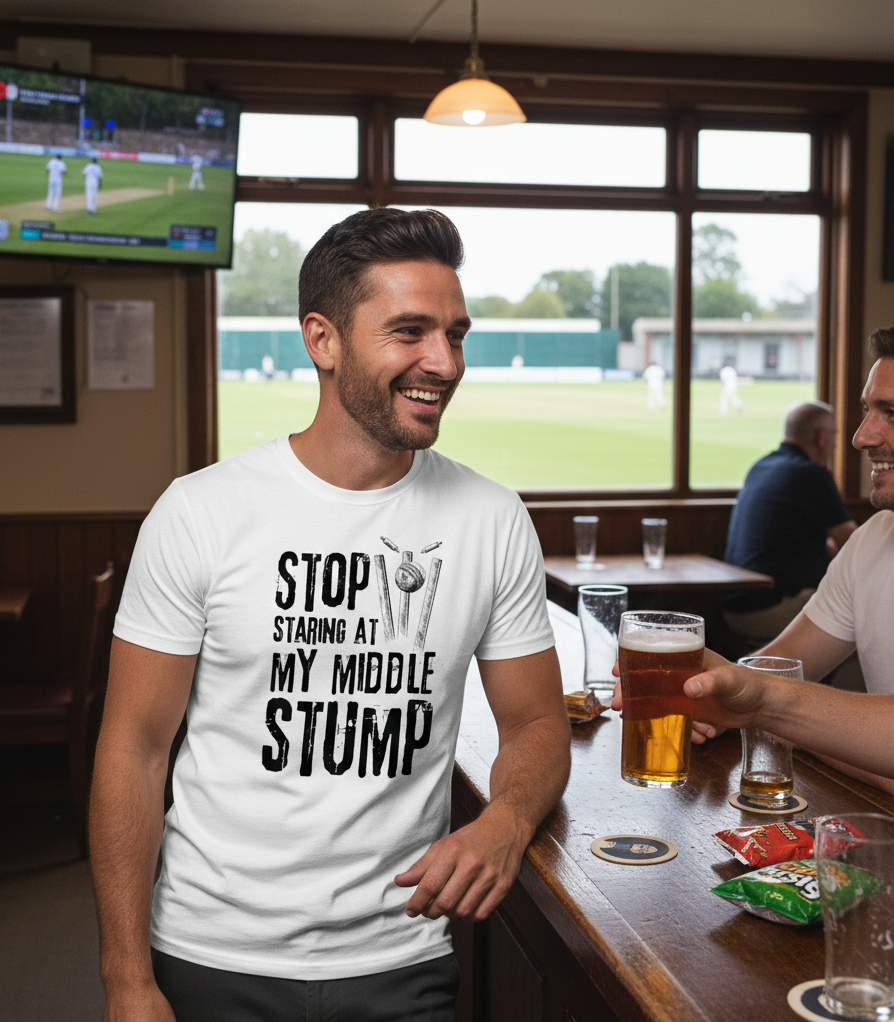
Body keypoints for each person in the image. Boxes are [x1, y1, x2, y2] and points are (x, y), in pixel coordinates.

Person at [89, 208, 571, 1022]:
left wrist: (507, 820)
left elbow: (536, 724)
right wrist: (127, 979)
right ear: (323, 340)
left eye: (456, 334)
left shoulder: (491, 519)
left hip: (403, 954)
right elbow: (133, 748)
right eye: (410, 332)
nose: (443, 362)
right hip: (209, 952)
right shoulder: (200, 511)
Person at [693, 325, 894, 789]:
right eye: (867, 411)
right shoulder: (871, 540)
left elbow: (769, 693)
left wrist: (771, 710)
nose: (862, 437)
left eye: (891, 412)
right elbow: (779, 664)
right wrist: (710, 686)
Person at [614, 651, 894, 794]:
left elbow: (768, 684)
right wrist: (722, 689)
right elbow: (770, 667)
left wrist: (765, 709)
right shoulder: (865, 546)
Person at [722, 400, 856, 641]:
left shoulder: (761, 466)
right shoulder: (812, 474)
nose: (835, 443)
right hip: (770, 608)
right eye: (834, 435)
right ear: (821, 437)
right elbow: (856, 547)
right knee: (864, 622)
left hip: (733, 607)